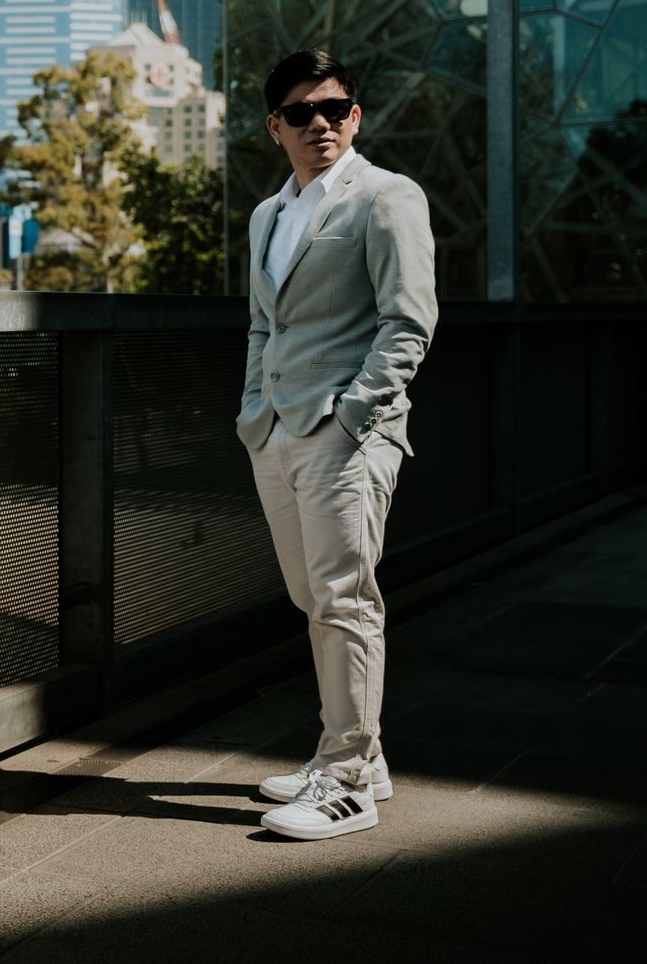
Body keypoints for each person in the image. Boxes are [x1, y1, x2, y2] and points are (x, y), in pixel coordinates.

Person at [237, 50, 437, 841]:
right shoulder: (268, 214)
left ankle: (347, 778)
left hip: (345, 435)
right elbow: (263, 324)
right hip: (276, 432)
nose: (319, 123)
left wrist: (353, 417)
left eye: (335, 109)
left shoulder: (387, 196)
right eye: (301, 112)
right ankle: (360, 756)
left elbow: (409, 321)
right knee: (312, 597)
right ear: (275, 126)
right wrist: (254, 413)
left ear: (355, 117)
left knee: (345, 599)